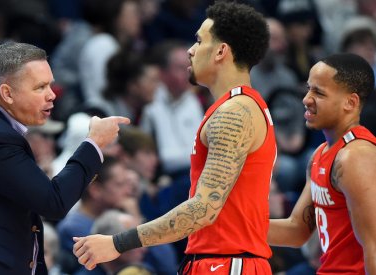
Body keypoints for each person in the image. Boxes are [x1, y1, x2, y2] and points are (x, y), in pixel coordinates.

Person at [73, 2, 275, 274]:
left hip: (227, 262)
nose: (191, 50)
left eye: (199, 41)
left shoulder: (234, 113)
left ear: (220, 51)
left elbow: (203, 209)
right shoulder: (238, 107)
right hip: (220, 259)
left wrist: (118, 243)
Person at [0, 41, 130, 275]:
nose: (52, 95)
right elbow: (54, 203)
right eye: (40, 87)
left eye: (50, 85)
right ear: (7, 93)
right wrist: (94, 144)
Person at [268, 53, 376, 274]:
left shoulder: (355, 156)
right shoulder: (321, 153)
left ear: (350, 102)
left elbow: (373, 246)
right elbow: (297, 230)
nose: (306, 98)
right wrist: (229, 227)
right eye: (308, 88)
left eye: (318, 92)